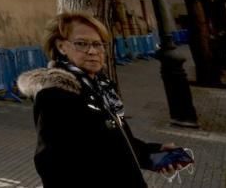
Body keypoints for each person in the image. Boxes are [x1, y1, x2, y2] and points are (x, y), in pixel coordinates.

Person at [17, 11, 191, 187]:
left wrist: (153, 154)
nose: (92, 51)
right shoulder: (55, 95)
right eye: (81, 44)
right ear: (61, 46)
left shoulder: (102, 88)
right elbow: (52, 166)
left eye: (98, 44)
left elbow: (116, 143)